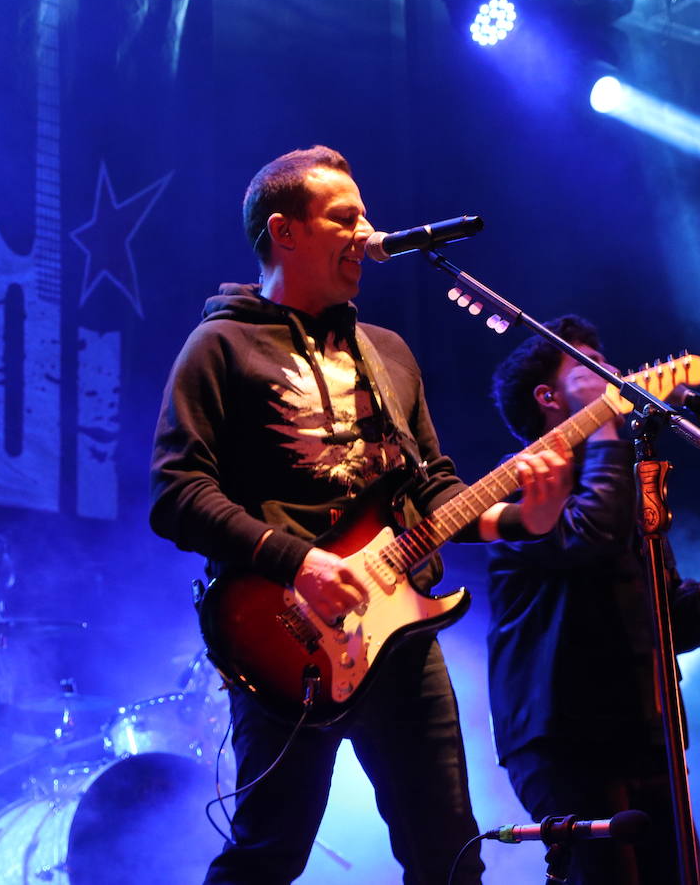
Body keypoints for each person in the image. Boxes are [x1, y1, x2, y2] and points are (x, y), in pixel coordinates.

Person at [148, 145, 572, 885]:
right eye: (345, 218)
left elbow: (434, 488)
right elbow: (177, 493)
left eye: (367, 215)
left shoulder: (390, 353)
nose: (367, 233)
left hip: (400, 638)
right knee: (267, 854)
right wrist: (302, 562)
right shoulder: (220, 345)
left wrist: (520, 519)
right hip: (283, 635)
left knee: (449, 857)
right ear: (285, 233)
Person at [486, 314, 700, 884]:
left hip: (644, 729)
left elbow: (659, 615)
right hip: (565, 737)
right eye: (588, 366)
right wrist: (603, 428)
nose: (611, 370)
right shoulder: (518, 483)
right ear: (549, 396)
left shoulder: (622, 478)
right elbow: (586, 536)